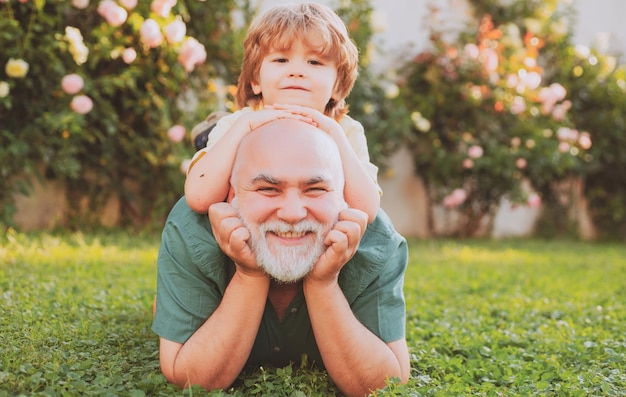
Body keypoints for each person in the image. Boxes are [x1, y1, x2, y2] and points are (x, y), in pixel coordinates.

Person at [153, 119, 410, 397]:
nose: (292, 213)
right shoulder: (192, 229)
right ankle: (213, 129)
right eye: (267, 188)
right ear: (231, 194)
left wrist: (323, 283)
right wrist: (248, 275)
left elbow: (386, 385)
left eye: (316, 189)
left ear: (344, 197)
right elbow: (192, 379)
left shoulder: (376, 240)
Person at [184, 2, 381, 224]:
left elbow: (367, 211)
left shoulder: (345, 130)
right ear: (255, 80)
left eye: (314, 62)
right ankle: (208, 135)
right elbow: (199, 198)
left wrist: (334, 135)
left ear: (337, 86)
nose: (296, 71)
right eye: (281, 60)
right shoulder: (238, 124)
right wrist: (244, 127)